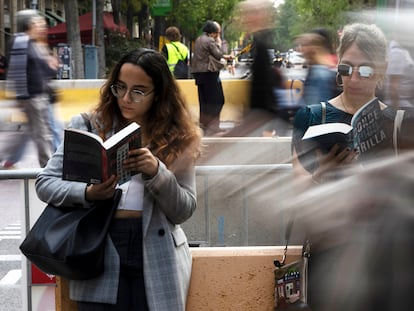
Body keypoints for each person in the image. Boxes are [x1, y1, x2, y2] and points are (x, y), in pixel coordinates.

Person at [35, 48, 202, 310]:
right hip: (98, 246)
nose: (126, 98)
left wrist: (156, 172)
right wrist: (88, 193)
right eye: (120, 87)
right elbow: (45, 183)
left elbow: (184, 209)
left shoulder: (177, 137)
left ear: (158, 94)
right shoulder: (88, 125)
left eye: (138, 91)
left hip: (156, 253)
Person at [291, 23, 392, 187]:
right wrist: (320, 175)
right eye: (346, 68)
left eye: (366, 70)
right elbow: (297, 187)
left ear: (382, 69)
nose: (354, 79)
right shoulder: (310, 118)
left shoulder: (397, 125)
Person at [224, 0, 289, 137]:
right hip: (259, 121)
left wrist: (253, 120)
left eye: (249, 13)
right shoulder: (259, 42)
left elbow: (263, 89)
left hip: (261, 122)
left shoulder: (262, 45)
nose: (244, 18)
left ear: (261, 15)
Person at [2, 9, 57, 168]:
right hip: (32, 97)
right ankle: (48, 169)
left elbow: (45, 71)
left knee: (27, 134)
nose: (40, 26)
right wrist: (22, 97)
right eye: (36, 23)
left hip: (38, 96)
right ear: (28, 24)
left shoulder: (33, 43)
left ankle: (8, 159)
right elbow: (17, 71)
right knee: (42, 134)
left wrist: (51, 64)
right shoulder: (21, 41)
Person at [191, 20, 233, 136]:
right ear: (213, 32)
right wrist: (221, 43)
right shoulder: (210, 40)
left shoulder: (199, 39)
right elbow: (219, 54)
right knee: (218, 100)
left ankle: (204, 125)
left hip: (199, 74)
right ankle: (213, 125)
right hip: (209, 73)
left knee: (204, 101)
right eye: (217, 32)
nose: (217, 35)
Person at [295, 30, 340, 108]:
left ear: (314, 49)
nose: (300, 49)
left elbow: (314, 109)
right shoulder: (322, 70)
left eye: (304, 45)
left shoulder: (318, 74)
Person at [383, 39, 414, 108]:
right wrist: (397, 112)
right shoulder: (397, 53)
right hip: (401, 106)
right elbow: (393, 87)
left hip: (405, 104)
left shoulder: (403, 51)